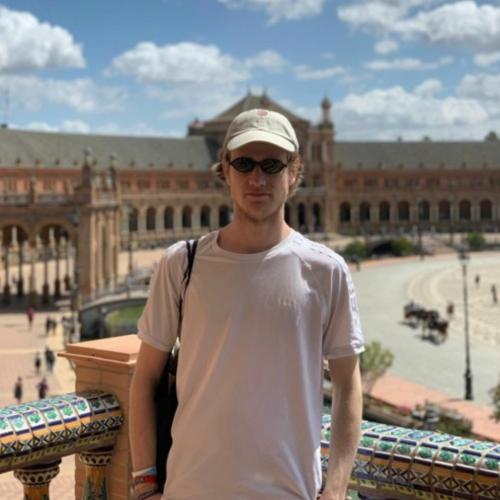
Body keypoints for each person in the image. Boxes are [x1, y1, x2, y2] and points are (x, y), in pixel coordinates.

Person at [129, 108, 365, 500]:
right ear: (225, 169)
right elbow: (146, 377)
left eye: (272, 165)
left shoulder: (327, 270)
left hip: (291, 492)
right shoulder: (182, 263)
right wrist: (144, 484)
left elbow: (348, 385)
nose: (257, 178)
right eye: (244, 164)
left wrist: (337, 488)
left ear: (294, 171)